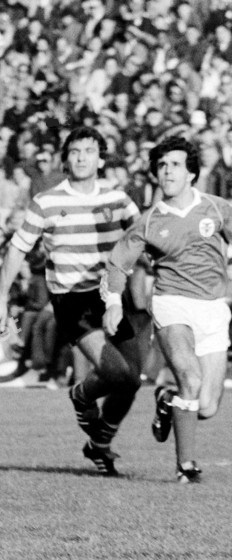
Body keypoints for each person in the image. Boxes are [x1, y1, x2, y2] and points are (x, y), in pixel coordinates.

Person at [0, 126, 141, 476]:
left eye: (89, 151)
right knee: (117, 374)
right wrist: (0, 298)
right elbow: (17, 248)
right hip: (72, 299)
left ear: (101, 159)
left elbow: (144, 236)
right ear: (66, 160)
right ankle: (85, 397)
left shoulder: (118, 199)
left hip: (111, 296)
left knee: (131, 381)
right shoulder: (46, 201)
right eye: (75, 151)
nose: (82, 157)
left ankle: (98, 442)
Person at [104, 136, 232, 483]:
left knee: (207, 406)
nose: (167, 171)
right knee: (190, 378)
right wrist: (113, 303)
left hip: (213, 308)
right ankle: (186, 467)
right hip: (172, 304)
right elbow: (117, 264)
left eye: (175, 164)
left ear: (191, 173)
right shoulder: (148, 221)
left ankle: (167, 398)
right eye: (161, 165)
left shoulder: (218, 208)